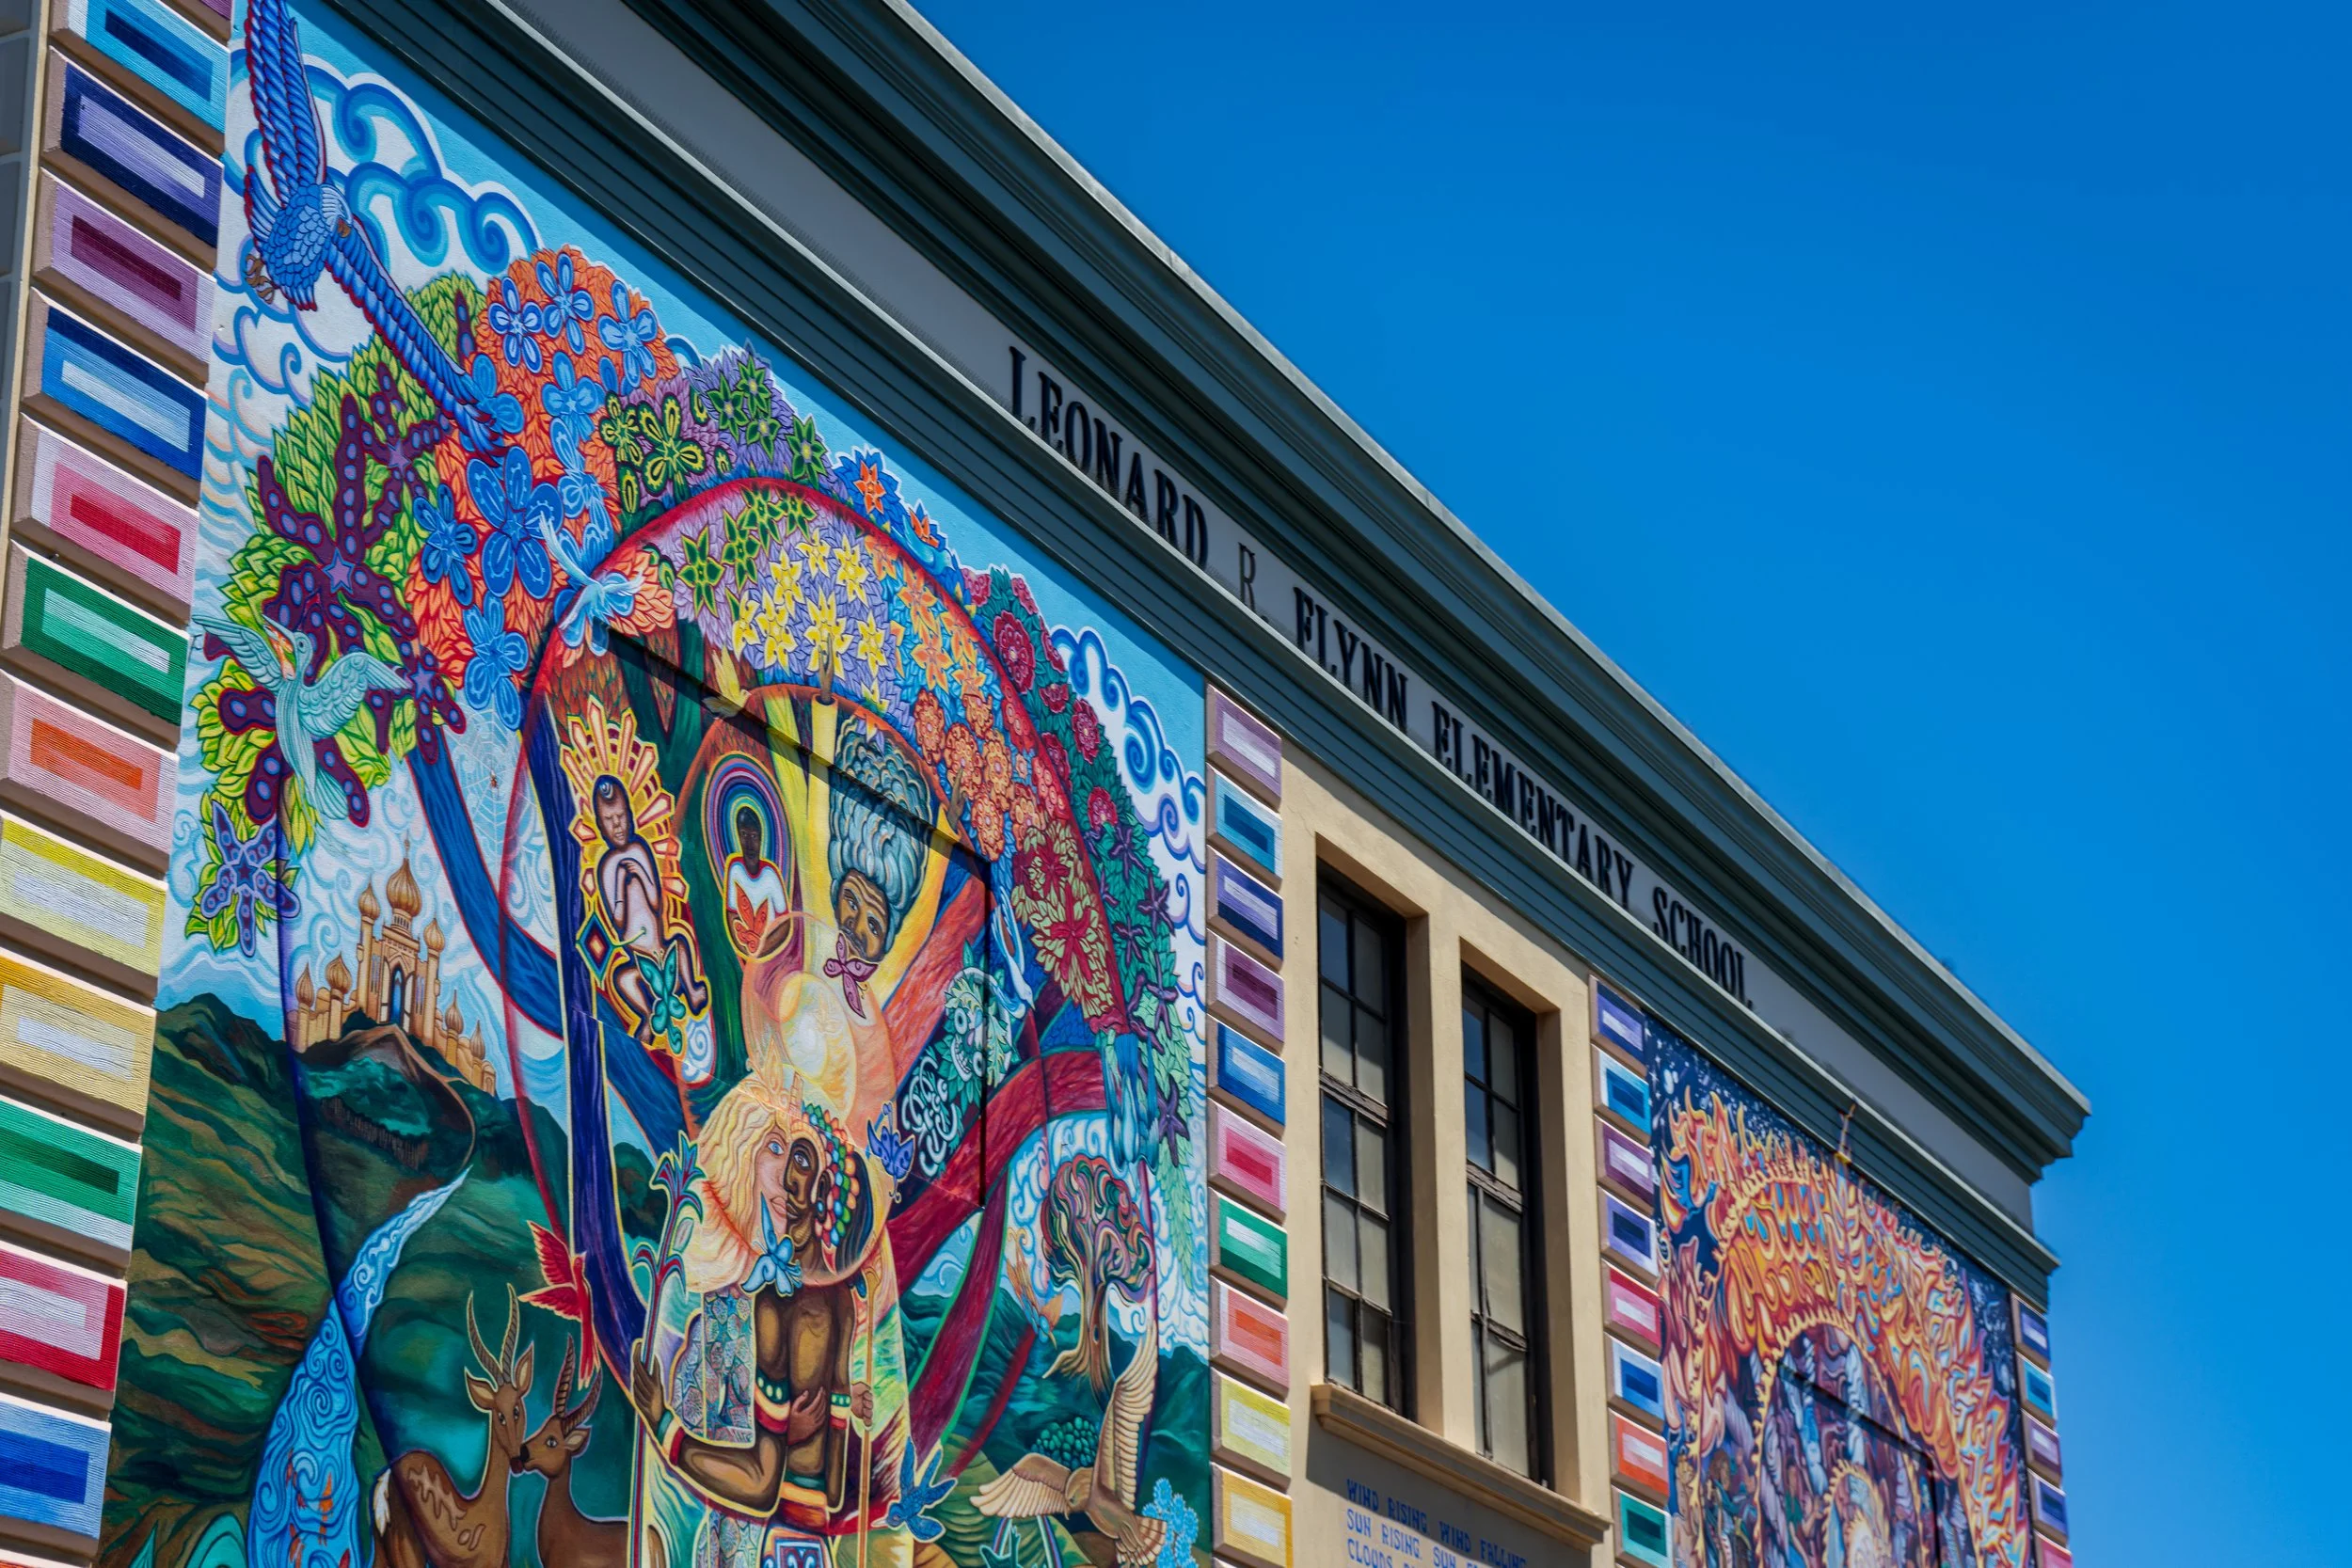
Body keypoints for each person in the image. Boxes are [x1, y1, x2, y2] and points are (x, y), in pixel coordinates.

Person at [629, 1068, 899, 1560]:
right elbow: (830, 1486)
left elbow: (761, 1481)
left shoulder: (773, 1305)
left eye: (808, 1167)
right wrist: (801, 1426)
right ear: (741, 1154)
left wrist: (665, 1428)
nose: (792, 1185)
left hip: (756, 1541)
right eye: (778, 1150)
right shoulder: (777, 1299)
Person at [591, 773, 709, 1048]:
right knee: (622, 978)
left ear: (630, 815)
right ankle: (646, 1016)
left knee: (680, 943)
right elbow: (619, 922)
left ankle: (690, 989)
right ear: (600, 825)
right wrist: (621, 884)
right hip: (639, 959)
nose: (617, 825)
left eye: (621, 816)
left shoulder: (639, 850)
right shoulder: (608, 866)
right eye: (609, 821)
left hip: (661, 947)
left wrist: (642, 877)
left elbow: (656, 903)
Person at [723, 803, 793, 960]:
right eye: (744, 834)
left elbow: (784, 924)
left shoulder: (770, 874)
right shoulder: (735, 869)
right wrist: (747, 949)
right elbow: (732, 915)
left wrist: (760, 949)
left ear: (761, 838)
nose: (749, 843)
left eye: (754, 836)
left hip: (771, 956)